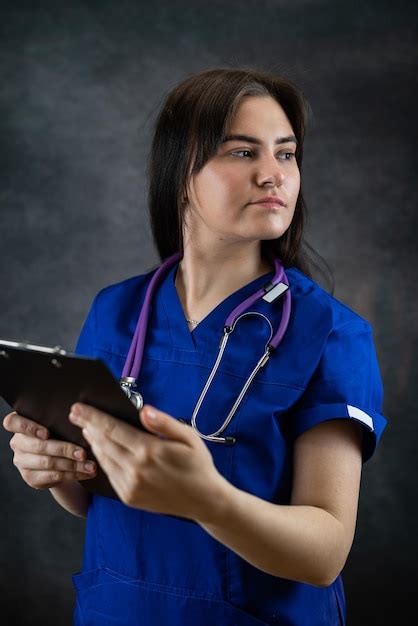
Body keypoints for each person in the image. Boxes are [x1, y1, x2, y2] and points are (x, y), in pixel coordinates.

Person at [3, 67, 387, 626]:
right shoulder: (116, 312)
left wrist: (207, 499)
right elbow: (95, 496)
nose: (272, 175)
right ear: (181, 171)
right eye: (242, 153)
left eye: (285, 154)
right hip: (118, 609)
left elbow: (325, 553)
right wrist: (55, 470)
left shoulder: (329, 333)